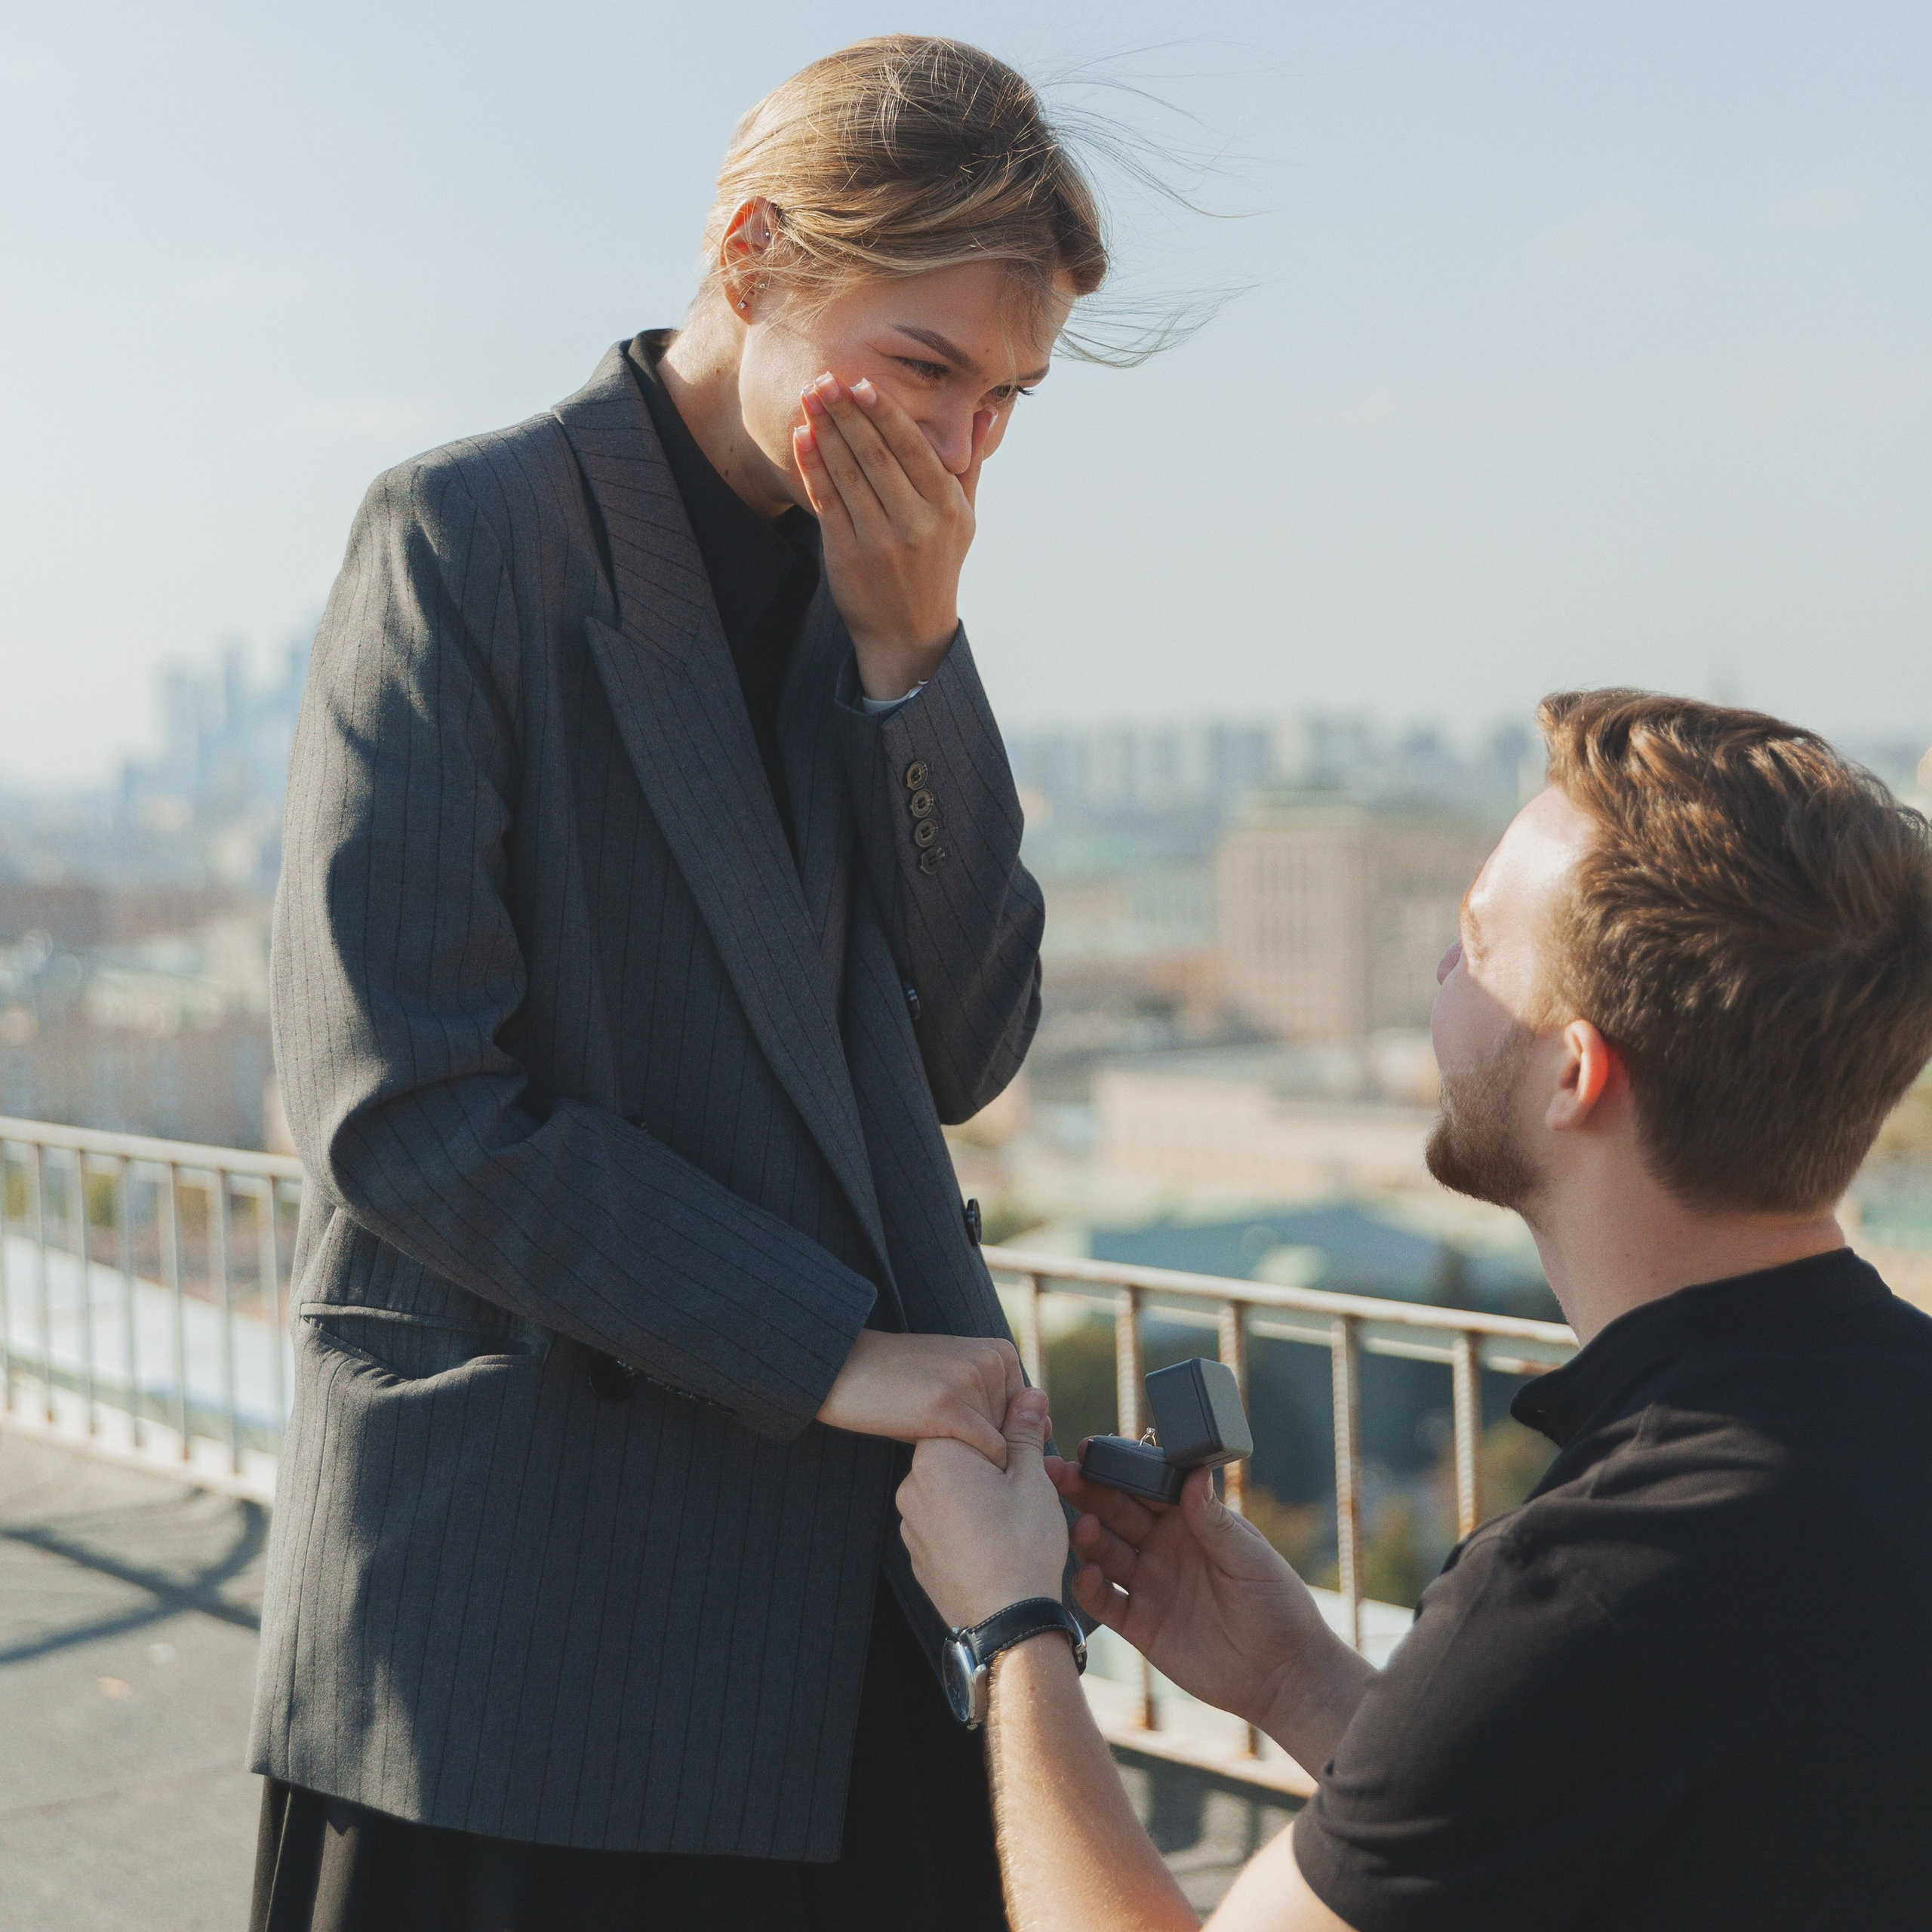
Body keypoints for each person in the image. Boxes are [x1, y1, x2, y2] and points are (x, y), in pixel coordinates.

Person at [248, 37, 1116, 1932]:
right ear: (750, 254)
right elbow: (402, 1107)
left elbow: (968, 1041)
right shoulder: (466, 540)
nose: (960, 450)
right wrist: (824, 1351)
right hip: (527, 1601)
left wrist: (913, 657)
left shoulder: (880, 572)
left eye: (1007, 402)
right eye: (926, 370)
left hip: (850, 1602)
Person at [897, 689, 1932, 1932]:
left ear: (1576, 1072)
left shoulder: (1591, 1584)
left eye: (1479, 944)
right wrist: (1297, 1677)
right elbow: (1608, 1808)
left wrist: (1012, 1630)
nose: (1445, 970)